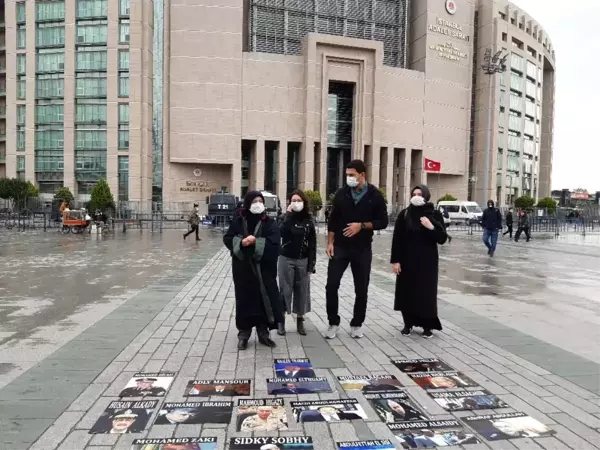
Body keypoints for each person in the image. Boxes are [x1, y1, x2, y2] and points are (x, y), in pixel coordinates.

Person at [325, 159, 389, 339]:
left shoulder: (375, 195)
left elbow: (383, 222)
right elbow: (333, 220)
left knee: (361, 289)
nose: (349, 178)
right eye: (347, 175)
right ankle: (333, 322)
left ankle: (357, 323)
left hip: (362, 249)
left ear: (362, 175)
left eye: (352, 175)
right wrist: (330, 242)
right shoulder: (342, 193)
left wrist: (361, 226)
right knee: (331, 286)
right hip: (340, 248)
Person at [223, 191, 284, 350]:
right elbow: (228, 238)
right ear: (248, 203)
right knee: (244, 299)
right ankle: (244, 333)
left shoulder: (269, 222)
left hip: (264, 270)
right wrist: (241, 242)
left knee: (264, 299)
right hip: (243, 269)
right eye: (254, 201)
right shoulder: (238, 221)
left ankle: (263, 332)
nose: (258, 204)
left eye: (260, 201)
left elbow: (275, 243)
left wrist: (256, 242)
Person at [391, 185, 447, 339]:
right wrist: (395, 261)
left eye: (420, 194)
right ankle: (407, 324)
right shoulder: (405, 214)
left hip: (427, 263)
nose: (416, 196)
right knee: (406, 293)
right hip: (407, 261)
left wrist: (430, 227)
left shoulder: (434, 214)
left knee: (426, 294)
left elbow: (442, 238)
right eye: (414, 194)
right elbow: (397, 239)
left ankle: (427, 326)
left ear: (426, 196)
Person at [278, 189, 317, 336]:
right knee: (284, 290)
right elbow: (281, 233)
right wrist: (288, 215)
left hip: (303, 259)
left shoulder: (308, 220)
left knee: (302, 290)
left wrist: (311, 263)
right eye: (293, 201)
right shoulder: (284, 217)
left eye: (298, 200)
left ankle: (300, 320)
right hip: (286, 258)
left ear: (304, 202)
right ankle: (280, 320)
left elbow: (312, 243)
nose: (296, 203)